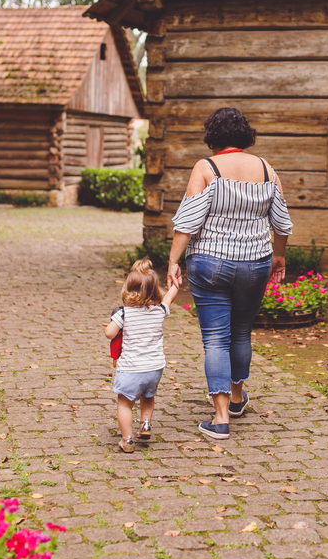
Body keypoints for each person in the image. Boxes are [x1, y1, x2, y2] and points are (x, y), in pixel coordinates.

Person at [167, 108, 293, 441]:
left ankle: (220, 418)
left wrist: (172, 261)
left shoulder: (205, 168)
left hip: (209, 262)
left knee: (215, 338)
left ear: (213, 137)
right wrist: (278, 255)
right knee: (241, 331)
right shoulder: (267, 169)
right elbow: (281, 222)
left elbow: (187, 220)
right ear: (244, 135)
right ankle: (236, 398)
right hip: (255, 263)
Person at [105, 258, 179, 453]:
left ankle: (127, 440)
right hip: (154, 368)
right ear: (156, 290)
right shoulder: (160, 310)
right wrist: (175, 282)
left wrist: (114, 320)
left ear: (128, 289)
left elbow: (109, 333)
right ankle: (145, 424)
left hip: (131, 368)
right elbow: (170, 297)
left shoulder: (124, 314)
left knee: (125, 403)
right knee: (148, 396)